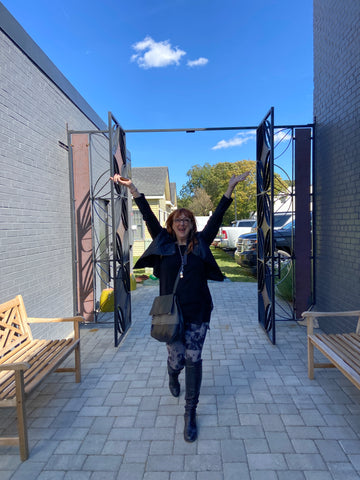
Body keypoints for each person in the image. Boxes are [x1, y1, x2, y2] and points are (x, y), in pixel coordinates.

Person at [111, 171, 250, 442]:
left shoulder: (200, 245)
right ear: (171, 224)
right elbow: (149, 217)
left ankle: (190, 413)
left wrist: (230, 188)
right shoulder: (163, 244)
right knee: (177, 358)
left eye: (187, 220)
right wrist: (134, 190)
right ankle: (172, 375)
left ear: (192, 225)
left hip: (198, 312)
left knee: (193, 358)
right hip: (170, 314)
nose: (183, 223)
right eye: (178, 220)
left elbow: (217, 217)